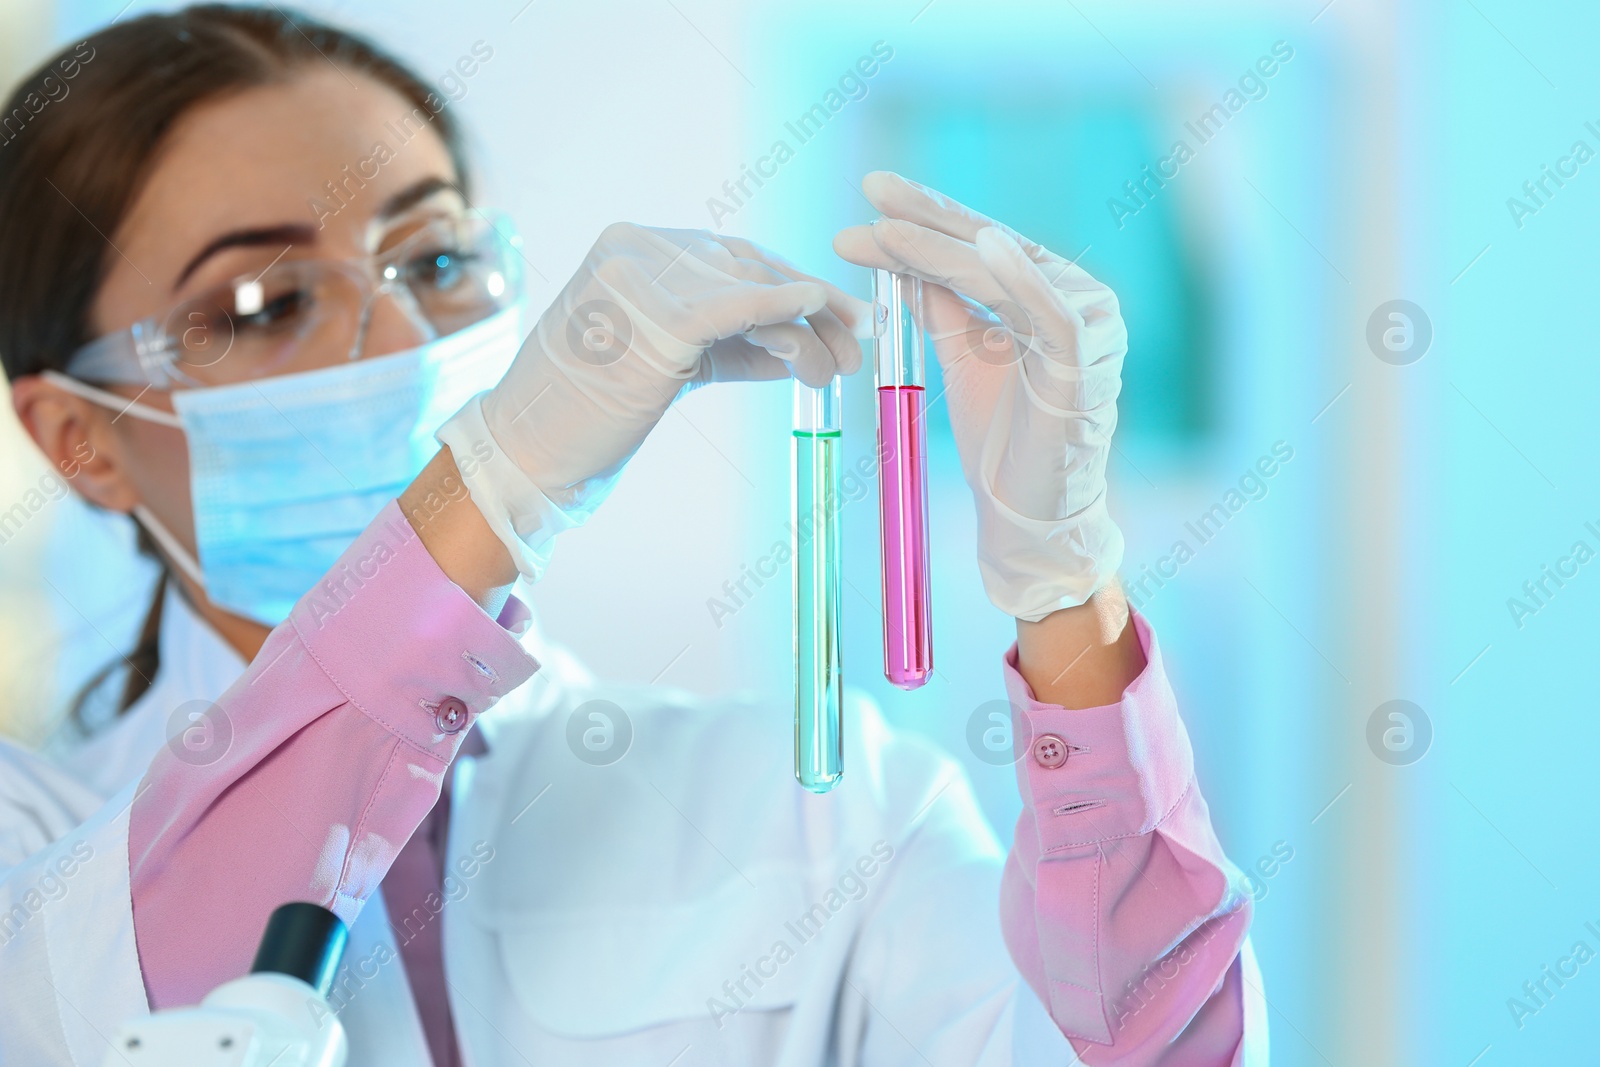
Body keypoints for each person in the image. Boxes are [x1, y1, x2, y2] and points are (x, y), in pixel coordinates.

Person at [0, 6, 1264, 1065]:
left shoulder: (809, 803)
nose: (400, 344)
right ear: (77, 437)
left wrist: (1065, 589)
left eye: (435, 261)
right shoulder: (36, 848)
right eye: (266, 302)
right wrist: (486, 489)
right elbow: (123, 995)